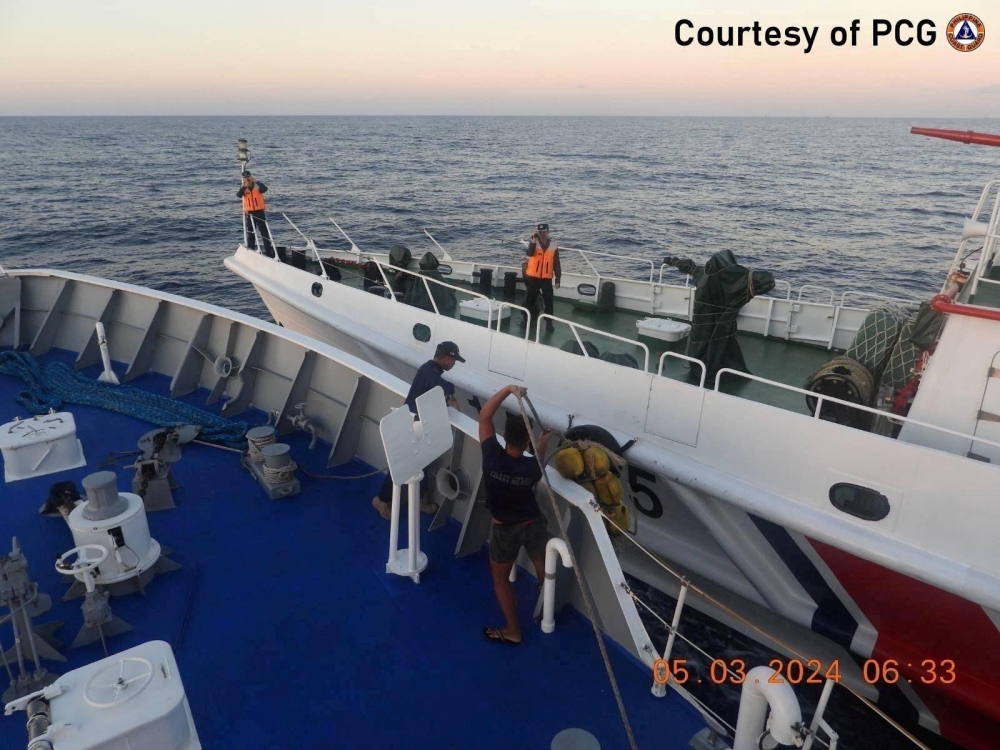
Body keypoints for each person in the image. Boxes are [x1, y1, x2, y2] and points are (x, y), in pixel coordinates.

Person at [479, 384, 554, 646]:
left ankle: (513, 629)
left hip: (505, 530)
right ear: (527, 441)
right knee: (539, 560)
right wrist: (543, 442)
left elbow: (485, 416)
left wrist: (507, 391)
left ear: (504, 436)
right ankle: (546, 598)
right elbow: (538, 459)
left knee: (500, 578)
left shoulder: (490, 458)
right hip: (532, 521)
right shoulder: (532, 468)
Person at [371, 341, 464, 520]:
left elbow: (430, 392)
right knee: (401, 464)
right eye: (454, 361)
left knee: (425, 461)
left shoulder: (431, 369)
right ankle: (381, 500)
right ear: (447, 358)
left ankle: (419, 500)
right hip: (412, 424)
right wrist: (451, 393)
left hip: (422, 424)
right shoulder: (430, 370)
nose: (454, 364)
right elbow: (437, 385)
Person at [522, 223, 561, 333]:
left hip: (546, 278)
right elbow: (529, 253)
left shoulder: (553, 245)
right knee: (529, 300)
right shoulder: (534, 242)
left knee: (549, 301)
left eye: (544, 232)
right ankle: (527, 319)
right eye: (540, 232)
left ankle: (549, 323)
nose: (542, 234)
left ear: (548, 232)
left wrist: (558, 279)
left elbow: (556, 263)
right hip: (533, 277)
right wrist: (533, 241)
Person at [237, 171, 273, 256]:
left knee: (264, 233)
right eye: (245, 177)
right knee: (251, 232)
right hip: (250, 213)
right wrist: (244, 187)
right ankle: (251, 250)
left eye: (248, 177)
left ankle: (269, 252)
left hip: (260, 212)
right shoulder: (243, 187)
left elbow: (265, 189)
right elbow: (239, 195)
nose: (247, 179)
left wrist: (256, 181)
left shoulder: (257, 185)